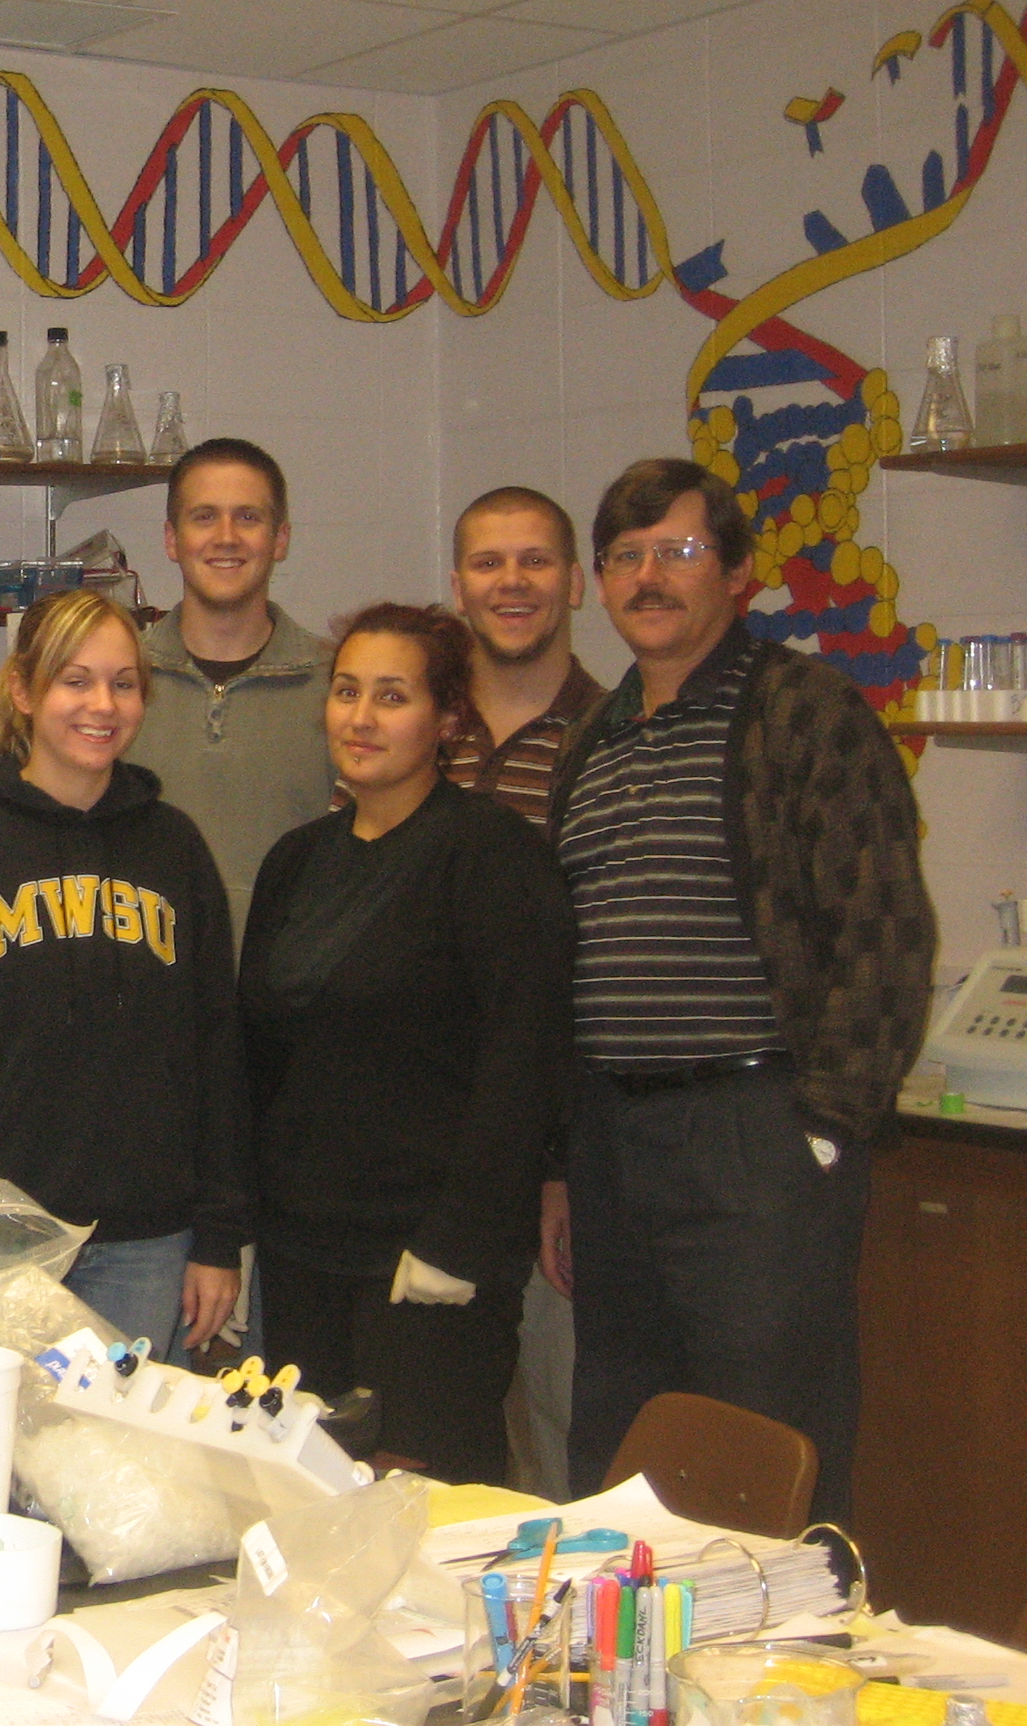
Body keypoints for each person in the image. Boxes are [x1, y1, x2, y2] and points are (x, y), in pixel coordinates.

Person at [550, 459, 934, 1522]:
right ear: (599, 582)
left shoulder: (803, 710)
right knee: (623, 1452)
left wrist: (823, 1131)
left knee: (765, 1450)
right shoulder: (594, 741)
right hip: (614, 1140)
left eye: (677, 552)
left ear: (736, 574)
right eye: (625, 557)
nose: (649, 578)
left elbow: (885, 933)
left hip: (757, 1133)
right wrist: (561, 1160)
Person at [0, 588, 247, 1360]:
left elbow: (216, 1051)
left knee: (123, 1440)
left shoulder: (175, 849)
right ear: (25, 691)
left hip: (145, 1242)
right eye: (75, 680)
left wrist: (219, 1236)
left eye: (123, 683)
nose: (102, 704)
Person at [237, 604, 574, 1485]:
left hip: (427, 1263)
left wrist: (462, 1241)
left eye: (392, 696)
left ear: (448, 718)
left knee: (424, 1509)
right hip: (302, 1252)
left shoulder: (493, 858)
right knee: (309, 1502)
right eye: (347, 691)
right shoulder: (297, 861)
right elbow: (260, 1058)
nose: (361, 717)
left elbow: (524, 1063)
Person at [447, 485, 604, 1499]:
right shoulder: (417, 730)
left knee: (553, 1439)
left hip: (554, 1161)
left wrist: (561, 1167)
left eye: (535, 560)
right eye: (489, 562)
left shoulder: (616, 737)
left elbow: (596, 971)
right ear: (458, 584)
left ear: (575, 582)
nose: (512, 583)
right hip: (425, 1155)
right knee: (436, 1448)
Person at [129, 437, 336, 935]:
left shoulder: (338, 685)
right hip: (150, 972)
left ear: (280, 539)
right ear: (171, 539)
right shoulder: (118, 684)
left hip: (292, 976)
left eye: (248, 517)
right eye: (204, 517)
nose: (226, 537)